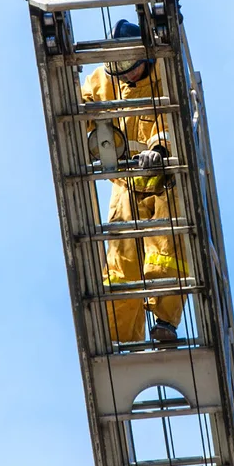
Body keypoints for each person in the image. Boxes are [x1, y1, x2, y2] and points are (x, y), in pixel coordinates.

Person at [81, 19, 187, 343]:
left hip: (162, 182)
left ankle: (164, 322)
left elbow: (171, 123)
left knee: (165, 248)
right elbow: (81, 102)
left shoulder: (166, 78)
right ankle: (116, 335)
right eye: (119, 67)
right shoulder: (109, 80)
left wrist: (160, 149)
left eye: (129, 65)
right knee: (122, 261)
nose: (125, 73)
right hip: (126, 185)